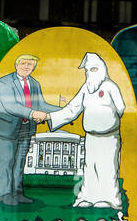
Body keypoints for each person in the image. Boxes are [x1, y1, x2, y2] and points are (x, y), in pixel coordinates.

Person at [47, 53, 125, 208]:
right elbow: (73, 108)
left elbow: (121, 108)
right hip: (91, 136)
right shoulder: (86, 88)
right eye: (88, 70)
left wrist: (107, 122)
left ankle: (110, 199)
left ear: (102, 69)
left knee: (107, 167)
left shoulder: (110, 86)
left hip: (109, 136)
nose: (90, 73)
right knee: (90, 167)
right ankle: (88, 197)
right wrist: (50, 116)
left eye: (94, 69)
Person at [0, 54, 54, 205]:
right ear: (16, 64)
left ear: (34, 67)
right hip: (4, 130)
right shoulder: (4, 82)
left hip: (25, 129)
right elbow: (10, 106)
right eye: (23, 63)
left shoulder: (34, 84)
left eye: (30, 65)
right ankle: (4, 195)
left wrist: (63, 112)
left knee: (19, 163)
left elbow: (41, 105)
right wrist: (33, 114)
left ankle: (17, 194)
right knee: (6, 163)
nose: (26, 67)